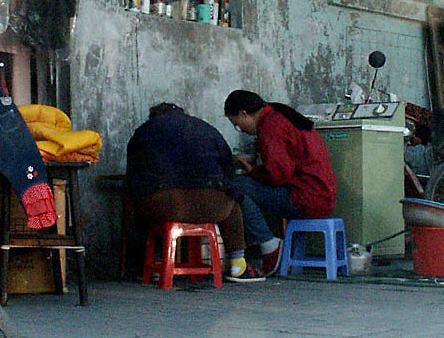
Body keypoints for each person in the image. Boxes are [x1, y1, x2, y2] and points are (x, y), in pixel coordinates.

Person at [125, 102, 265, 282]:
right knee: (233, 206)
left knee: (141, 209)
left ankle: (154, 264)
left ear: (154, 117)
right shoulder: (205, 128)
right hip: (211, 205)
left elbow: (133, 178)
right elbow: (228, 171)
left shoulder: (144, 132)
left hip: (164, 206)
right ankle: (238, 265)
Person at [224, 90, 337, 276]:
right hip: (321, 195)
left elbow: (278, 176)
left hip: (305, 199)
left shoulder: (271, 126)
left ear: (244, 113)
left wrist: (252, 171)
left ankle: (269, 245)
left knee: (236, 187)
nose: (241, 130)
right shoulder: (279, 116)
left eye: (237, 124)